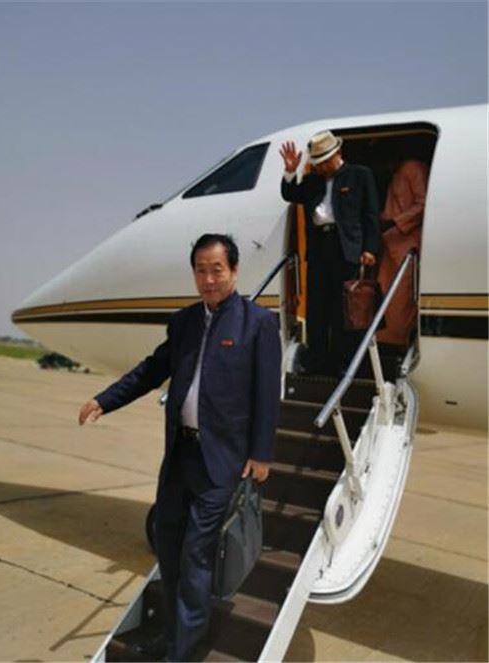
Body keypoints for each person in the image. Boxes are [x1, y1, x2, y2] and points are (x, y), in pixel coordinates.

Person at [78, 234, 281, 661]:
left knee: (195, 557)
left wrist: (261, 452)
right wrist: (104, 400)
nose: (208, 279)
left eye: (217, 270)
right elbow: (151, 370)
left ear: (234, 270)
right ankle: (172, 636)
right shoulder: (184, 321)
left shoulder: (258, 323)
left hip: (220, 463)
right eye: (200, 271)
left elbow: (267, 393)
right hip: (180, 457)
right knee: (169, 551)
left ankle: (182, 652)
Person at [280, 131, 380, 374]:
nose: (321, 167)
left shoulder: (359, 175)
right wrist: (290, 171)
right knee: (317, 308)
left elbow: (371, 214)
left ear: (338, 153)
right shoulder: (312, 181)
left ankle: (344, 365)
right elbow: (290, 194)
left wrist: (369, 248)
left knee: (344, 309)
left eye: (325, 161)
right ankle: (316, 362)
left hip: (346, 249)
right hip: (318, 248)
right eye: (318, 163)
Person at [377, 159, 428, 346]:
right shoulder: (395, 172)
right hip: (390, 245)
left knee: (402, 300)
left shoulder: (413, 168)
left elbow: (423, 205)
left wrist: (394, 222)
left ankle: (399, 345)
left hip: (407, 245)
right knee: (387, 298)